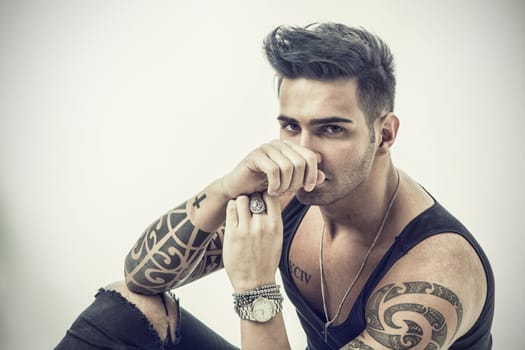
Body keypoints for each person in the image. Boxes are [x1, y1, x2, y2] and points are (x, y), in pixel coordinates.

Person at [56, 22, 494, 350]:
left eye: (331, 129)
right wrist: (227, 188)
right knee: (129, 308)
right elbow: (141, 276)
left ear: (385, 135)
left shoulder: (435, 278)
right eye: (291, 126)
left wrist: (255, 288)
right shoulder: (289, 199)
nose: (303, 152)